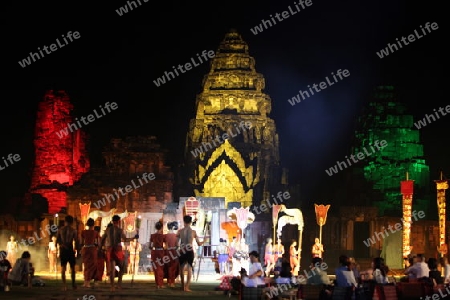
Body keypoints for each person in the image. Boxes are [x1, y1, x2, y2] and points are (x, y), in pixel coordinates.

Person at [101, 215, 129, 291]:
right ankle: (119, 284)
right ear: (119, 221)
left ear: (113, 221)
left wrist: (101, 248)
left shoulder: (107, 230)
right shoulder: (120, 230)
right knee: (122, 267)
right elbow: (125, 239)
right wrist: (134, 238)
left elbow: (102, 239)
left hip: (110, 249)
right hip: (117, 249)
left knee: (112, 269)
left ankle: (112, 286)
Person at [176, 215, 203, 292]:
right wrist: (204, 241)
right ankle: (187, 287)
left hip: (182, 250)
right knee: (189, 268)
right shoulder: (193, 232)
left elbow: (176, 243)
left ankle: (182, 286)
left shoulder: (180, 231)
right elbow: (199, 244)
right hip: (189, 250)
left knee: (181, 268)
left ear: (184, 221)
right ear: (191, 222)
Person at [56, 215, 79, 291]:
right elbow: (76, 241)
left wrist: (61, 246)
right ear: (72, 222)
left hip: (63, 249)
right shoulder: (73, 230)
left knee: (63, 267)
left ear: (65, 221)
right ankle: (73, 284)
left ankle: (64, 285)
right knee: (72, 268)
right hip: (70, 249)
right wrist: (77, 249)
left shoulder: (60, 230)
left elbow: (57, 241)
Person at [81, 218, 100, 288]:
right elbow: (98, 243)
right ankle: (89, 282)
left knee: (86, 265)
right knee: (92, 265)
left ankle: (86, 282)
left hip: (85, 248)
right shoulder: (95, 233)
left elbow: (81, 242)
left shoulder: (83, 232)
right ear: (93, 224)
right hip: (92, 249)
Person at [150, 221, 166, 289]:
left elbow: (150, 246)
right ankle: (161, 284)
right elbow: (166, 246)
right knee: (161, 268)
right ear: (161, 227)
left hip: (154, 252)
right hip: (161, 252)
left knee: (155, 268)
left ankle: (157, 284)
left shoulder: (152, 235)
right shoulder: (163, 236)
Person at [165, 221, 179, 287]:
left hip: (167, 252)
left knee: (168, 266)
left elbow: (166, 246)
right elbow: (177, 245)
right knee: (173, 267)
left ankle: (168, 281)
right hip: (174, 252)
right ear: (173, 227)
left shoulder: (166, 235)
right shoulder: (176, 236)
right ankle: (172, 282)